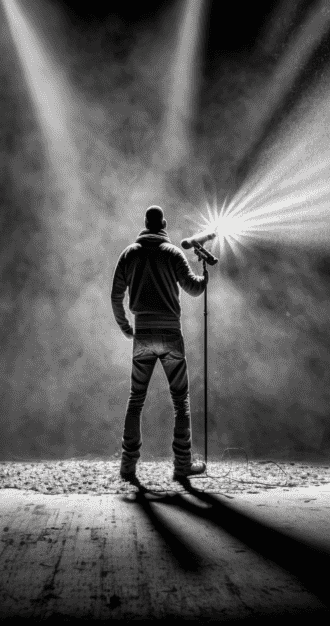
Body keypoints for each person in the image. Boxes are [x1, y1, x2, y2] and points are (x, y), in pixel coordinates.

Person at [111, 206, 209, 483]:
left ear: (145, 223)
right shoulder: (173, 253)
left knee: (136, 400)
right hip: (170, 335)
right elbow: (193, 288)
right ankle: (181, 466)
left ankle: (128, 466)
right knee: (180, 402)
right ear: (164, 224)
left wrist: (125, 327)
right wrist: (204, 274)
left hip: (142, 334)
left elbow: (115, 296)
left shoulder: (129, 253)